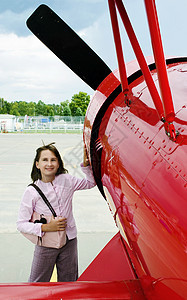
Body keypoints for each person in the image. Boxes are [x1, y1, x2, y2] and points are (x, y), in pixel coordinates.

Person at [17, 142, 96, 282]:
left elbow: (90, 183)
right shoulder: (31, 191)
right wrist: (46, 227)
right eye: (45, 160)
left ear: (59, 163)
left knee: (69, 281)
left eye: (53, 160)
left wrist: (87, 165)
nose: (49, 163)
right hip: (46, 244)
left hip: (69, 241)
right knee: (38, 283)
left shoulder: (67, 180)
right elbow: (21, 224)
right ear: (37, 164)